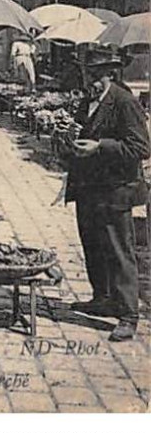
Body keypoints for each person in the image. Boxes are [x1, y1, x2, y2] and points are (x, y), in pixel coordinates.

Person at [65, 48, 150, 342]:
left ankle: (128, 315)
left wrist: (100, 147)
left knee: (118, 250)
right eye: (86, 73)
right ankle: (102, 297)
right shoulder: (88, 100)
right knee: (92, 244)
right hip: (88, 186)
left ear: (109, 74)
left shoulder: (124, 101)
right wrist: (67, 135)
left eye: (94, 74)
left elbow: (141, 148)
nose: (89, 80)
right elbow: (83, 134)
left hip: (116, 189)